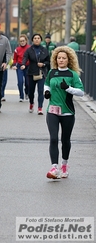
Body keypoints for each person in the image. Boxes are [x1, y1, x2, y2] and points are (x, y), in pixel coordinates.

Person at [44, 46, 84, 179]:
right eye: (59, 58)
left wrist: (68, 88)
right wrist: (46, 92)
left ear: (68, 60)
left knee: (65, 140)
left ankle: (64, 164)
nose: (61, 60)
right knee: (54, 138)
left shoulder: (73, 74)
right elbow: (47, 84)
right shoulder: (52, 72)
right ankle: (54, 167)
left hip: (67, 112)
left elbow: (81, 92)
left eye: (63, 58)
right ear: (56, 59)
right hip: (52, 110)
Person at [22, 33, 50, 115]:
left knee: (41, 91)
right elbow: (25, 58)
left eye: (38, 38)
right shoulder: (29, 50)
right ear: (32, 40)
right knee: (31, 91)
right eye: (35, 38)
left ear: (41, 40)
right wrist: (23, 64)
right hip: (32, 72)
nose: (37, 39)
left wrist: (43, 64)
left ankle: (40, 108)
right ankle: (31, 103)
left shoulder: (44, 50)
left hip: (41, 73)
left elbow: (48, 61)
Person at [12, 34, 31, 102]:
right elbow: (14, 59)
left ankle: (27, 92)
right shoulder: (17, 49)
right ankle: (21, 96)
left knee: (27, 82)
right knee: (20, 81)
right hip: (20, 66)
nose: (22, 42)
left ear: (26, 41)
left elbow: (32, 57)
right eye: (21, 41)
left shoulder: (29, 48)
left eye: (23, 41)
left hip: (27, 66)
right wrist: (14, 65)